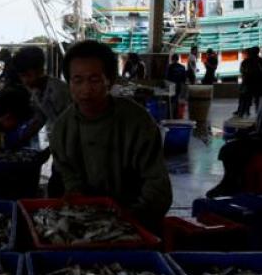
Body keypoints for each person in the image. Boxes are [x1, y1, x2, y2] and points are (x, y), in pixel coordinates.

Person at [51, 40, 172, 230]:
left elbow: (158, 186)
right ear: (69, 83)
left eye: (94, 79)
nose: (86, 90)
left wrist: (127, 222)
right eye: (78, 80)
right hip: (86, 222)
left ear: (110, 80)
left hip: (134, 221)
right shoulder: (62, 128)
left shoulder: (138, 122)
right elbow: (69, 179)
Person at [207, 86, 262, 198]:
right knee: (229, 146)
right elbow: (258, 125)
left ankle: (231, 183)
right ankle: (232, 181)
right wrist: (242, 132)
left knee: (230, 150)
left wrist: (246, 137)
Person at [13, 46, 72, 196]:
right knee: (55, 186)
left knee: (62, 188)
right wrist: (20, 138)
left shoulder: (58, 92)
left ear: (40, 70)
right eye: (22, 76)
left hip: (73, 150)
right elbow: (40, 118)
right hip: (60, 150)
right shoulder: (37, 90)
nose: (25, 80)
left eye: (28, 75)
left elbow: (70, 129)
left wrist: (48, 150)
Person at [236, 47, 262, 117]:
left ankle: (245, 112)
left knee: (247, 99)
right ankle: (252, 112)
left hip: (250, 83)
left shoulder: (246, 62)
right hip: (255, 83)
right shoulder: (260, 61)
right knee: (254, 99)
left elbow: (242, 71)